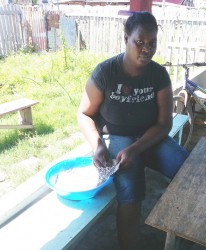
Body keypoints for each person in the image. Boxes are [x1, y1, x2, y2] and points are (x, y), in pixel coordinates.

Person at [77, 11, 189, 250]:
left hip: (150, 138)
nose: (146, 49)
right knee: (130, 190)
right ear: (126, 38)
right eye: (139, 42)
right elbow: (84, 114)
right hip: (117, 138)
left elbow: (163, 124)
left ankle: (183, 236)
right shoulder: (106, 72)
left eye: (152, 43)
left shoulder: (158, 75)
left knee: (188, 171)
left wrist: (137, 148)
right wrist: (98, 145)